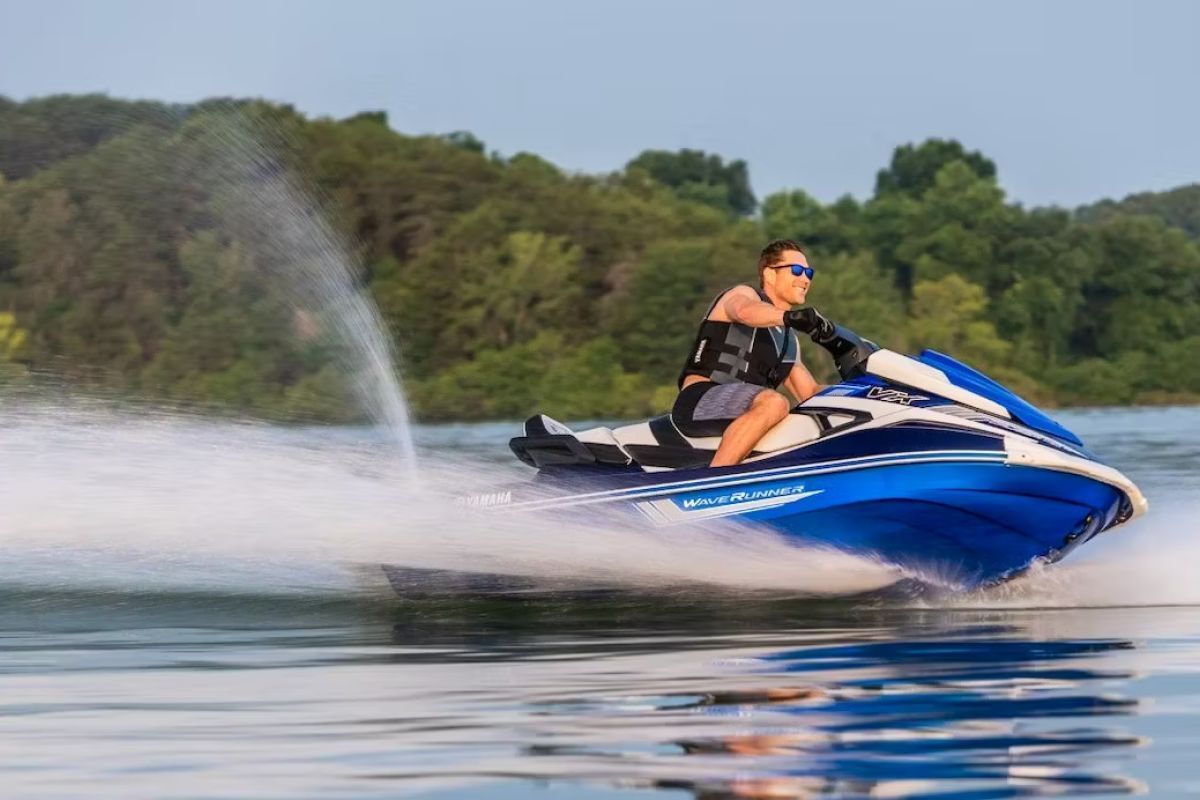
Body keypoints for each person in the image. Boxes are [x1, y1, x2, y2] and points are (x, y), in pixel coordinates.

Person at [672, 239, 830, 467]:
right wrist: (788, 317)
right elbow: (744, 312)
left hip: (745, 407)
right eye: (796, 270)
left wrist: (863, 389)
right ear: (770, 274)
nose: (805, 279)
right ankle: (714, 483)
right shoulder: (743, 295)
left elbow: (811, 393)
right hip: (698, 400)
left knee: (803, 419)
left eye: (809, 272)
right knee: (775, 403)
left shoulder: (788, 339)